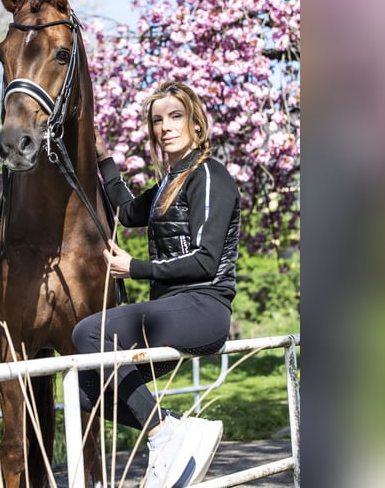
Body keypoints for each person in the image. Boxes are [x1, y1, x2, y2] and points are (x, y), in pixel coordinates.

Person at [72, 81, 241, 488]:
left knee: (89, 332)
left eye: (176, 116)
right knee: (83, 387)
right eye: (157, 120)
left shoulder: (209, 176)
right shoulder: (170, 181)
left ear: (197, 124)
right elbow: (128, 212)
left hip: (203, 307)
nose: (165, 127)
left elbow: (205, 261)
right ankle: (170, 435)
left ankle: (165, 433)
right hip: (173, 310)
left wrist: (135, 268)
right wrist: (104, 157)